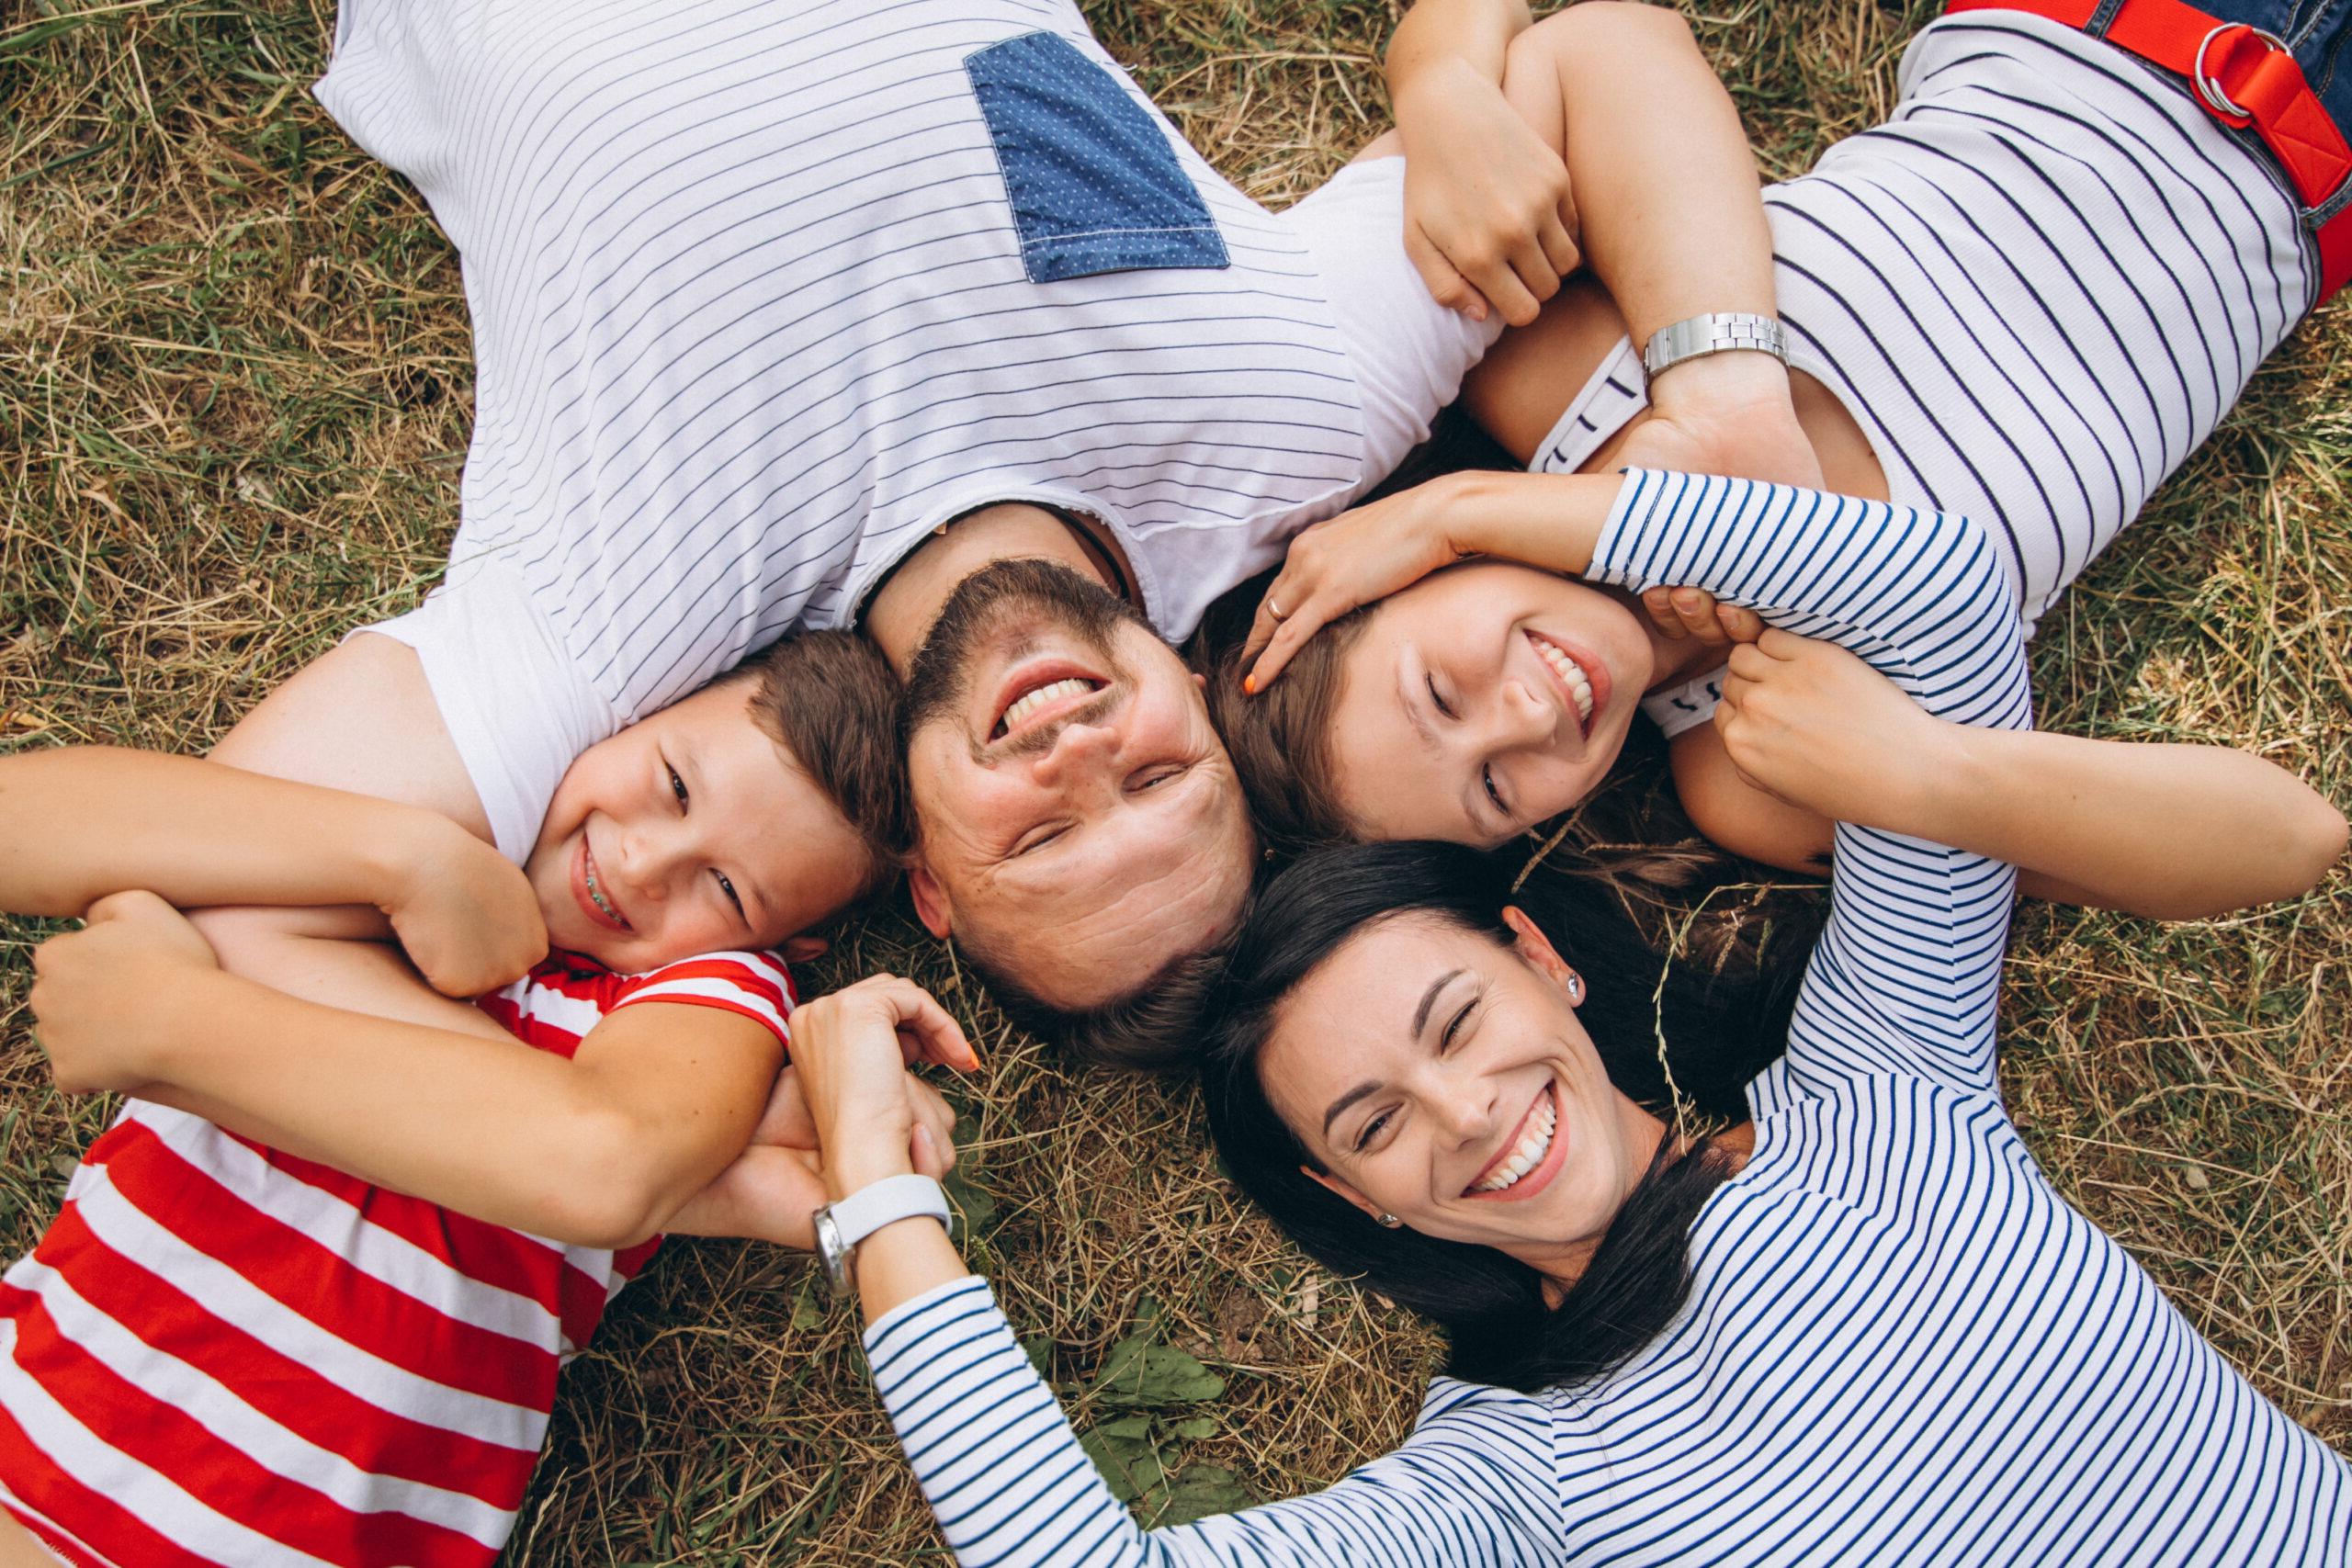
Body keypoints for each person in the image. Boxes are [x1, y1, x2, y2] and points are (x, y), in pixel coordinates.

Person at [193, 0, 1824, 1061]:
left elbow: (219, 888)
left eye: (1040, 833)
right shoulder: (1285, 425)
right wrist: (1727, 396)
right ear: (1218, 706)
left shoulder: (618, 632)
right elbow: (1597, 60)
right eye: (1161, 781)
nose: (1076, 752)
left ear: (932, 881)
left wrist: (612, 1134)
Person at [782, 462, 2351, 1563]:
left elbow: (1930, 585)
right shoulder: (1517, 1482)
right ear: (1346, 1192)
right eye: (1375, 1121)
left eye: (1458, 1017)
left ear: (1544, 958)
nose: (1463, 1113)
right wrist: (878, 1190)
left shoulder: (1884, 1089)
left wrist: (1467, 514)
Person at [1211, 0, 2352, 912]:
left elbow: (1596, 50)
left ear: (1405, 564)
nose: (1524, 718)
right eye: (1496, 791)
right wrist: (1925, 773)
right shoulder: (1754, 757)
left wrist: (1717, 397)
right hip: (2319, 189)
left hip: (2085, 26)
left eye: (1440, 690)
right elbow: (2285, 839)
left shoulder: (1539, 371)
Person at [0, 633, 962, 1566]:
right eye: (672, 786)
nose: (637, 865)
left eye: (726, 889)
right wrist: (403, 856)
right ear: (635, 716)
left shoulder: (701, 994)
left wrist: (182, 1013)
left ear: (784, 950)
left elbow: (612, 1145)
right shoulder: (377, 851)